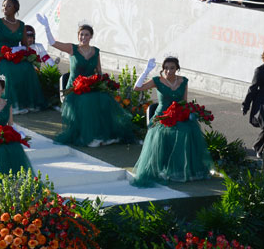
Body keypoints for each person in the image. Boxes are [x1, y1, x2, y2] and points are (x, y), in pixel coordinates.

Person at [37, 18, 134, 147]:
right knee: (86, 101)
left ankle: (102, 134)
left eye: (86, 34)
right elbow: (53, 42)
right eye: (81, 34)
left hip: (91, 86)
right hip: (73, 89)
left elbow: (99, 72)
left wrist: (104, 85)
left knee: (105, 99)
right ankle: (88, 137)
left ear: (91, 36)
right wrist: (47, 27)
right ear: (78, 36)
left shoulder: (96, 51)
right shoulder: (72, 48)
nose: (83, 37)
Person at [131, 56, 213, 186]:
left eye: (172, 68)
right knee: (165, 132)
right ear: (163, 69)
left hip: (178, 115)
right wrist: (146, 71)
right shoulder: (157, 81)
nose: (169, 71)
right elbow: (137, 88)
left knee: (186, 130)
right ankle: (165, 168)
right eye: (166, 68)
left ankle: (181, 169)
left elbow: (184, 102)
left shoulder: (183, 81)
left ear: (177, 69)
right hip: (161, 117)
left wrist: (191, 113)